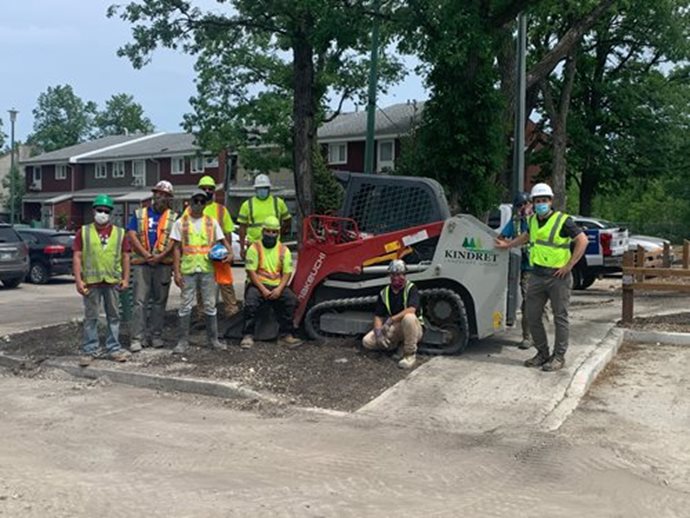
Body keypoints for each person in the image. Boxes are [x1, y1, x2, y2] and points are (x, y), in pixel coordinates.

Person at [495, 183, 588, 371]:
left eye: (544, 201)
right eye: (537, 201)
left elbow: (582, 240)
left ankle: (558, 357)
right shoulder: (533, 220)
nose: (540, 204)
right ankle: (542, 353)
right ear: (533, 202)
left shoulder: (563, 221)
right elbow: (527, 237)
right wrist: (509, 245)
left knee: (560, 317)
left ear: (551, 201)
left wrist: (569, 265)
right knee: (532, 315)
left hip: (558, 276)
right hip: (537, 274)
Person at [171, 190, 233, 355]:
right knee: (185, 305)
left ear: (205, 204)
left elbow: (222, 239)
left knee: (210, 304)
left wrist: (230, 252)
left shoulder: (211, 222)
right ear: (190, 202)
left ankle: (213, 340)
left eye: (202, 201)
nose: (198, 204)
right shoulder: (180, 222)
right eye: (195, 200)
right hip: (188, 269)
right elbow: (176, 249)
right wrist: (176, 272)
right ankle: (182, 341)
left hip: (206, 268)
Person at [72, 194, 131, 367]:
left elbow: (126, 257)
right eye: (100, 210)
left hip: (112, 281)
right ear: (93, 211)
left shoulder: (120, 233)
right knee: (91, 317)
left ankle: (114, 348)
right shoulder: (83, 232)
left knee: (114, 316)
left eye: (106, 211)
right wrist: (78, 280)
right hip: (91, 282)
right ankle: (90, 349)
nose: (103, 214)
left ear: (111, 213)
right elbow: (77, 256)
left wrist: (125, 279)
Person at [126, 180, 178, 352]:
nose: (161, 197)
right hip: (142, 264)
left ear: (170, 198)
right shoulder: (140, 214)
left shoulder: (174, 217)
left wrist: (160, 256)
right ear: (153, 195)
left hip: (163, 265)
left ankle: (156, 335)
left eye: (165, 195)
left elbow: (174, 240)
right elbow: (132, 234)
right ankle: (137, 338)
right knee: (139, 302)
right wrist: (146, 254)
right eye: (158, 193)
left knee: (159, 302)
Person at [240, 216, 302, 349]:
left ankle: (285, 335)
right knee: (251, 302)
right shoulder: (255, 248)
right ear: (263, 231)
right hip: (258, 285)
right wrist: (263, 290)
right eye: (268, 231)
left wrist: (279, 289)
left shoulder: (283, 250)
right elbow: (251, 272)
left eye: (274, 232)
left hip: (276, 285)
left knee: (291, 301)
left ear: (278, 233)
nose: (271, 234)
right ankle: (248, 335)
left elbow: (287, 273)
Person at [192, 175, 240, 318]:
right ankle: (202, 314)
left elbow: (228, 232)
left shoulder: (220, 210)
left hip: (219, 253)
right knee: (202, 286)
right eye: (204, 188)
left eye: (210, 189)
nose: (207, 191)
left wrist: (228, 252)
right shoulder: (191, 210)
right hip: (200, 255)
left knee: (226, 283)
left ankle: (231, 311)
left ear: (214, 191)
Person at [362, 260, 423, 369]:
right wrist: (378, 333)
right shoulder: (384, 292)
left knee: (408, 318)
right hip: (396, 327)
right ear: (390, 276)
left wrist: (390, 320)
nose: (398, 278)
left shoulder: (411, 288)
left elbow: (411, 310)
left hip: (414, 327)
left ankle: (409, 354)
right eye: (395, 275)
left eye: (401, 274)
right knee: (367, 341)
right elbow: (378, 316)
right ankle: (393, 346)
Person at [498, 191, 536, 350]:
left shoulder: (539, 221)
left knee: (539, 303)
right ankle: (528, 336)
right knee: (528, 302)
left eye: (525, 204)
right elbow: (502, 237)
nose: (522, 208)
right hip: (525, 268)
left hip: (542, 266)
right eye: (519, 205)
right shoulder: (515, 223)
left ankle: (538, 335)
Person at [237, 174, 291, 260]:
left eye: (265, 188)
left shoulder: (278, 203)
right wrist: (242, 248)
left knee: (273, 271)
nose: (262, 190)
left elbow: (288, 221)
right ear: (255, 189)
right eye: (259, 188)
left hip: (274, 246)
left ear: (269, 188)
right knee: (252, 271)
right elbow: (242, 228)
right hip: (254, 246)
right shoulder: (247, 205)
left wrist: (280, 233)